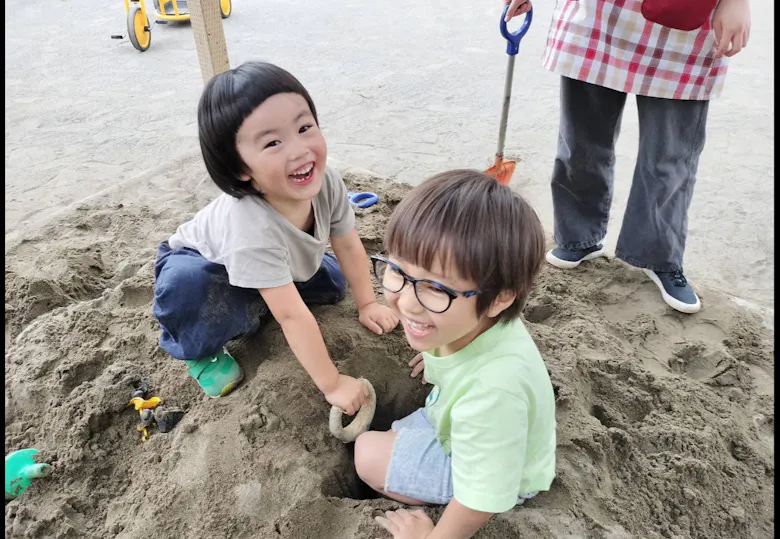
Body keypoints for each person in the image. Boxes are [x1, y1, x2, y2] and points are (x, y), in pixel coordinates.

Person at [152, 62, 399, 414]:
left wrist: (367, 304)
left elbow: (347, 243)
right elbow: (292, 318)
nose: (299, 150)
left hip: (268, 257)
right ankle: (199, 352)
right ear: (240, 168)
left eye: (304, 127)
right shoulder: (250, 227)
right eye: (272, 142)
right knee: (188, 290)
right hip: (204, 265)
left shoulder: (326, 181)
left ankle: (264, 292)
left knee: (333, 283)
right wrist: (333, 383)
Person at [504, 0, 751, 314]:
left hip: (686, 24)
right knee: (580, 143)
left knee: (669, 158)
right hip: (597, 16)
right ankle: (578, 237)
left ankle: (658, 256)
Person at [353, 170, 556, 539]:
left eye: (435, 288)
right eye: (397, 270)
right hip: (465, 426)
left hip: (504, 476)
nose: (407, 302)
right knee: (389, 436)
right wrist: (435, 352)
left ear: (499, 298)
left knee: (366, 452)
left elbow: (481, 497)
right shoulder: (471, 322)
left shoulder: (494, 393)